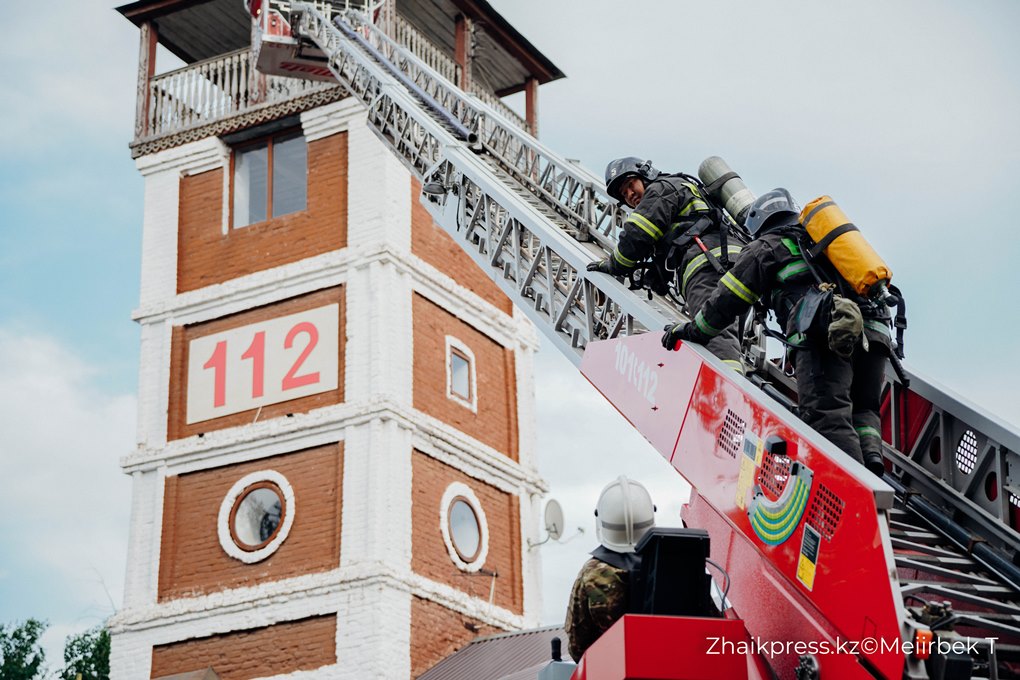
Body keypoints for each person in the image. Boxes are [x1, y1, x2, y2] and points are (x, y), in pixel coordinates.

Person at [662, 188, 892, 476]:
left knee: (827, 417)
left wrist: (694, 329)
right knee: (864, 410)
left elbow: (726, 300)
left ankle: (853, 492)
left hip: (824, 333)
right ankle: (871, 463)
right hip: (876, 330)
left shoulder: (766, 247)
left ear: (756, 225)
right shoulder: (819, 241)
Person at [587, 157, 745, 373]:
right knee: (727, 330)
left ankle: (727, 388)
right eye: (624, 194)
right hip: (733, 263)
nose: (630, 195)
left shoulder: (661, 189)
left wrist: (613, 265)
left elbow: (637, 235)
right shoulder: (680, 187)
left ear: (646, 175)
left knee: (713, 329)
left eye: (630, 185)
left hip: (707, 265)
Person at [564, 476, 655, 662]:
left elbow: (577, 648)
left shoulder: (592, 574)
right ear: (651, 515)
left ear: (601, 520)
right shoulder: (677, 562)